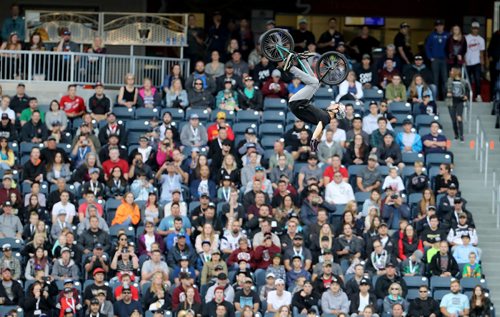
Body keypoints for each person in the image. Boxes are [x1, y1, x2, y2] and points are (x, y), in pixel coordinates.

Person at [281, 52, 344, 151]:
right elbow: (321, 129)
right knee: (316, 82)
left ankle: (290, 68)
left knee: (314, 83)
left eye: (336, 105)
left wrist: (313, 139)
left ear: (336, 111)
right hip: (300, 104)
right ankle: (303, 60)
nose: (333, 104)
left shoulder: (325, 118)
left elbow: (319, 127)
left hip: (297, 103)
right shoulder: (325, 115)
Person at [425, 19, 449, 99]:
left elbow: (451, 46)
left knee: (445, 80)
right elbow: (427, 47)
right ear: (435, 27)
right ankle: (435, 98)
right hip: (435, 60)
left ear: (443, 26)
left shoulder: (447, 35)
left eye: (441, 25)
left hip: (444, 60)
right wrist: (430, 57)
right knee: (435, 80)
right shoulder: (432, 35)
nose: (439, 27)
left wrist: (449, 57)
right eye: (437, 26)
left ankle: (446, 97)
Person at [465, 21, 485, 102]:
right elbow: (463, 50)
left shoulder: (481, 39)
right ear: (471, 29)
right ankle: (467, 96)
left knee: (477, 80)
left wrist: (482, 63)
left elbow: (481, 52)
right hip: (468, 62)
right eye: (474, 28)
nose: (475, 30)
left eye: (476, 28)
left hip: (477, 62)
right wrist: (464, 60)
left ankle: (478, 95)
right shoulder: (466, 38)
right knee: (467, 80)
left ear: (478, 29)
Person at [446, 67, 468, 141]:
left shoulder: (463, 81)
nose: (450, 72)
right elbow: (445, 89)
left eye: (452, 70)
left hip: (460, 101)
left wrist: (466, 96)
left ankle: (461, 135)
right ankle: (456, 134)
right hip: (451, 101)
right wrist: (447, 93)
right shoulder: (449, 80)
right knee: (454, 120)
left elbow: (467, 90)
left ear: (456, 71)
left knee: (459, 118)